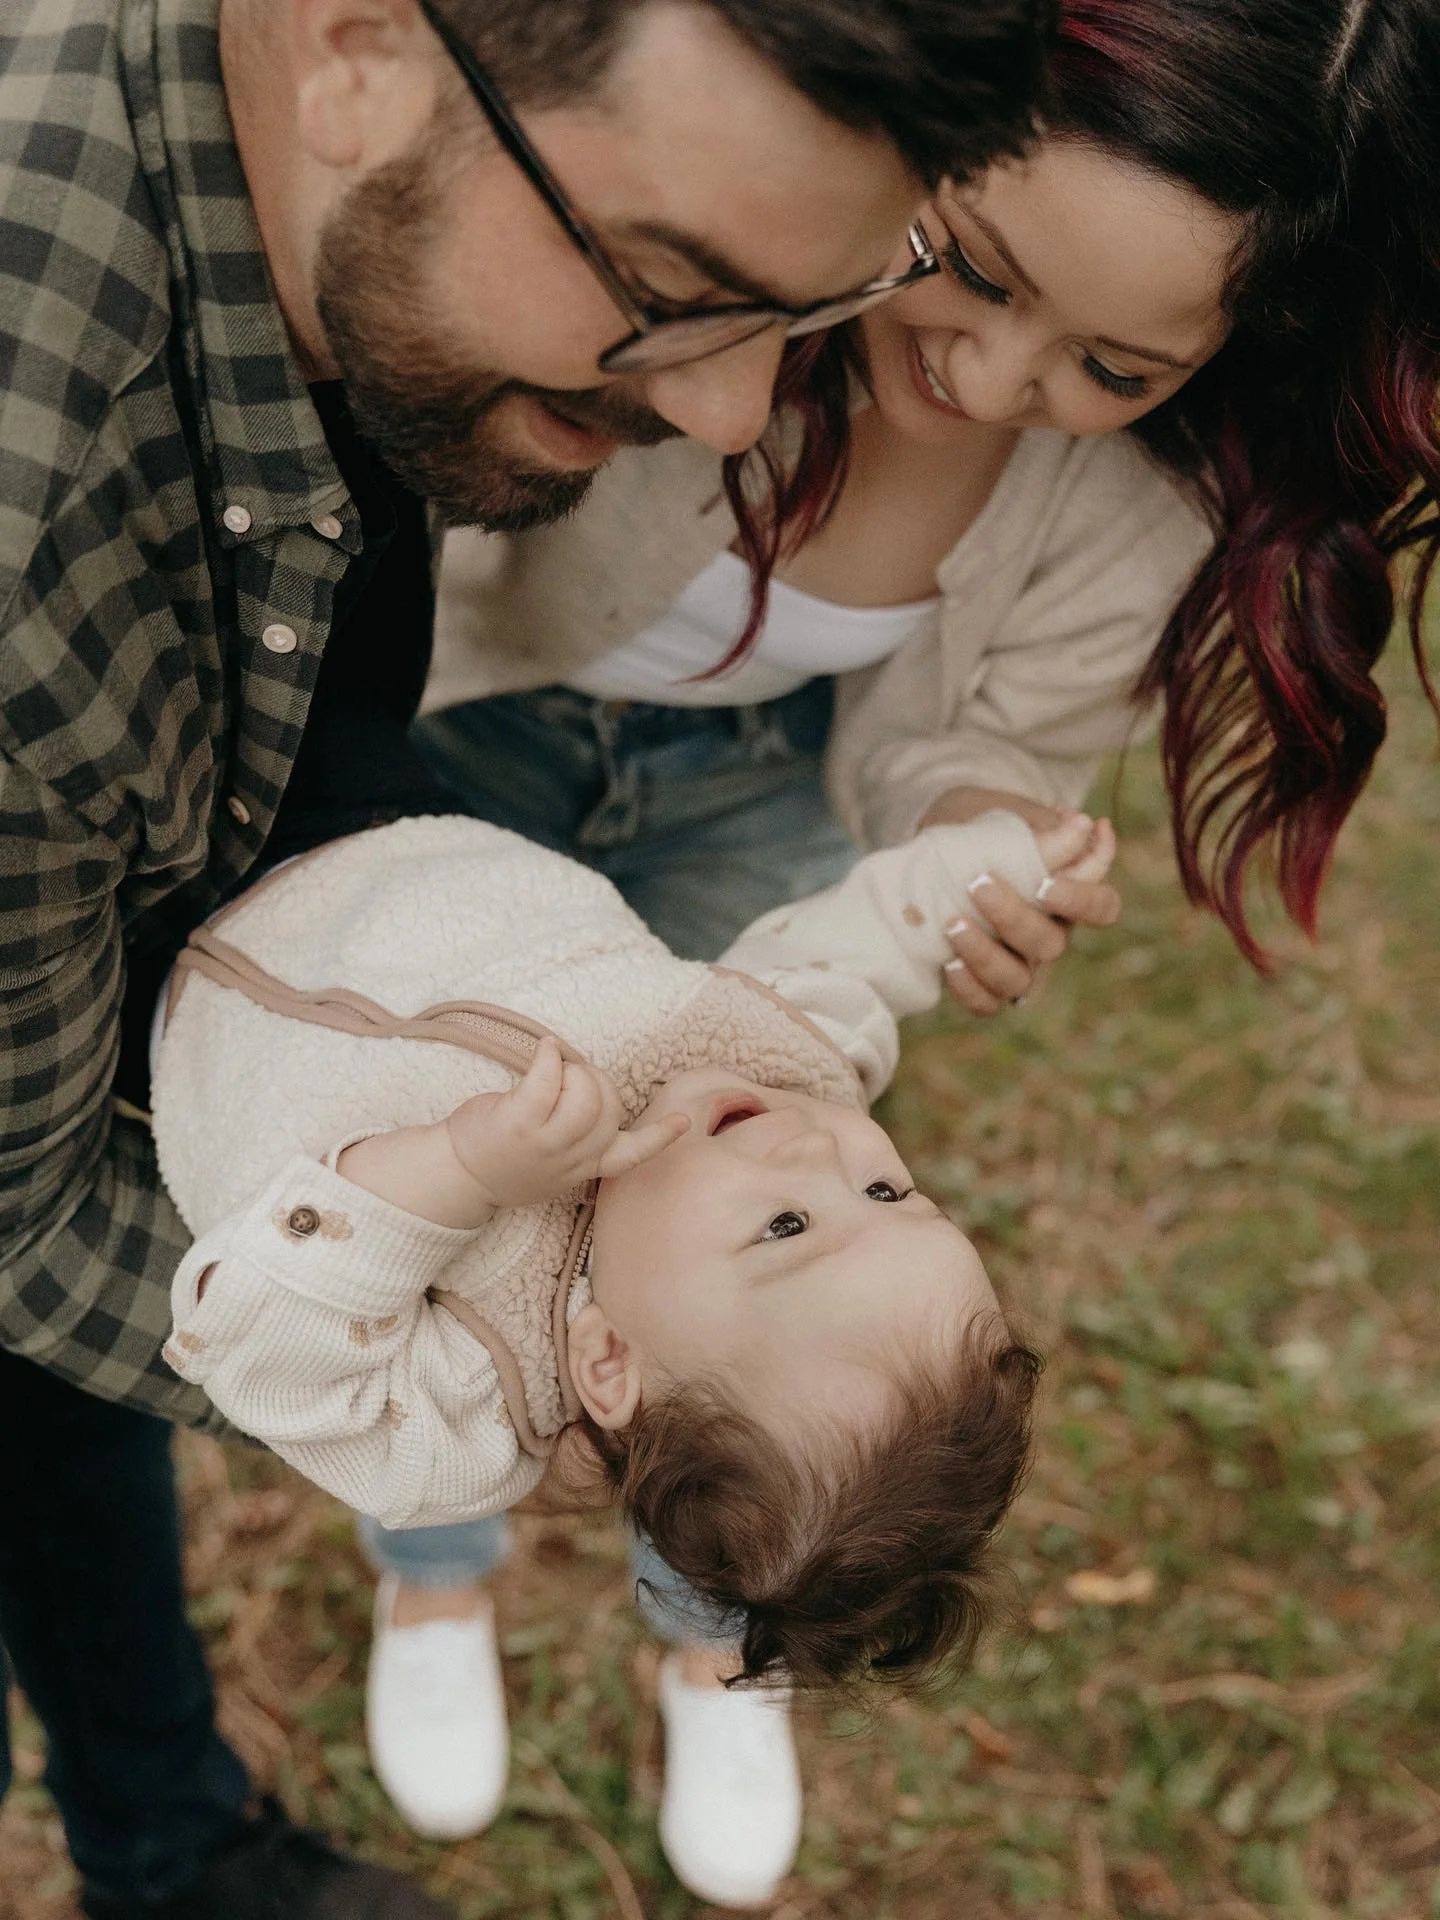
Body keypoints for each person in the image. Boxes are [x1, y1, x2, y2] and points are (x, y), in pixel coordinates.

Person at [0, 0, 1052, 1911]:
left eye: (820, 304)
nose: (728, 418)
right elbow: (30, 1213)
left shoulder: (346, 261)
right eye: (671, 287)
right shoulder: (36, 576)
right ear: (351, 46)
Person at [416, 0, 1440, 1901]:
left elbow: (954, 742)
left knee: (731, 1314)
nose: (989, 371)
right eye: (974, 268)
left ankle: (731, 1622)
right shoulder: (737, 261)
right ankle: (428, 1580)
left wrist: (976, 830)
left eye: (1113, 363)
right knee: (460, 1240)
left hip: (751, 821)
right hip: (451, 746)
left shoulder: (1137, 511)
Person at [153, 805, 1083, 1683]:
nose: (823, 1141)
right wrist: (988, 864)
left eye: (788, 1226)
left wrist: (461, 1172)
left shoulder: (472, 1411)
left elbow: (260, 1344)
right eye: (888, 1190)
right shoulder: (777, 1068)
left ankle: (460, 1600)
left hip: (174, 995)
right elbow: (861, 950)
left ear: (607, 1358)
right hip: (391, 829)